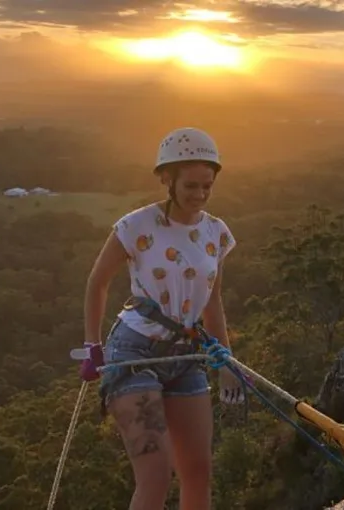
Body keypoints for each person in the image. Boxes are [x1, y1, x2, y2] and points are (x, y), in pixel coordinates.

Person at [83, 127, 243, 510]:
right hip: (134, 352)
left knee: (198, 472)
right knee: (155, 476)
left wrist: (227, 361)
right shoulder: (136, 226)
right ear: (166, 179)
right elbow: (97, 283)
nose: (200, 195)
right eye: (191, 186)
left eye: (207, 185)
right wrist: (93, 346)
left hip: (186, 354)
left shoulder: (215, 233)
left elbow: (213, 299)